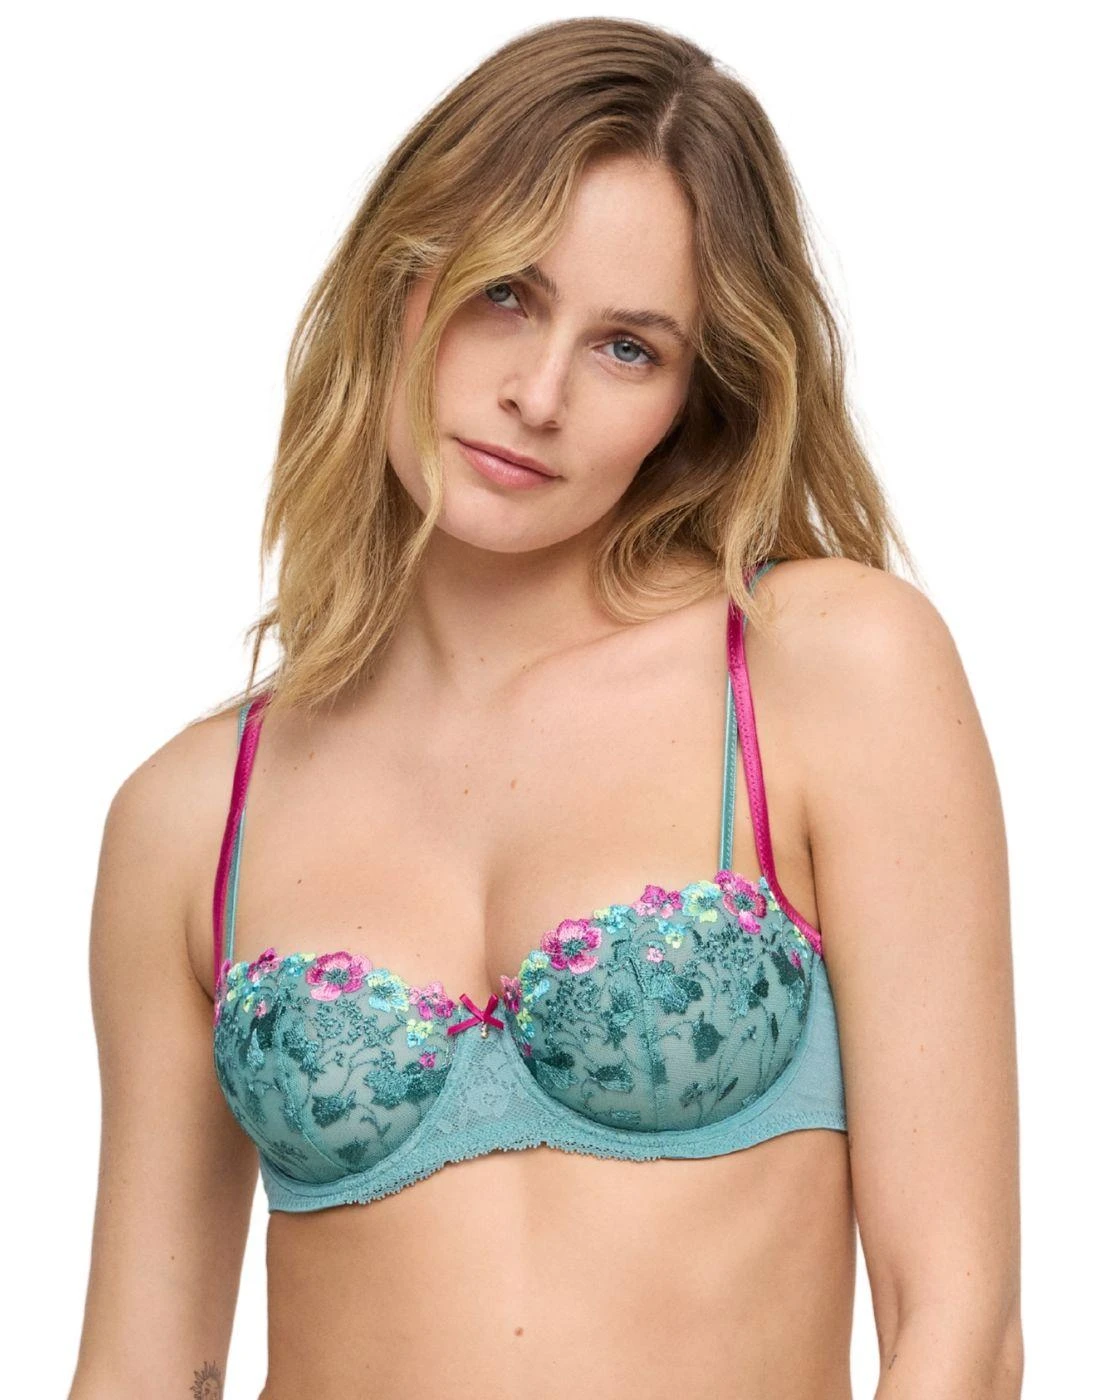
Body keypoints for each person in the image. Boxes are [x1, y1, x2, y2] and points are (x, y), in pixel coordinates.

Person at [68, 16, 1023, 1400]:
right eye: (504, 293)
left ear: (695, 398)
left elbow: (960, 1322)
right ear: (399, 283)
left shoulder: (823, 672)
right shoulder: (190, 815)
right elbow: (141, 1367)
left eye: (628, 347)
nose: (537, 393)